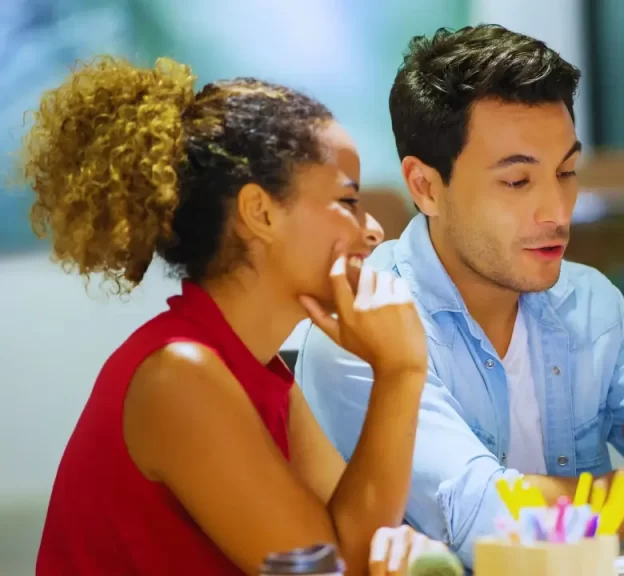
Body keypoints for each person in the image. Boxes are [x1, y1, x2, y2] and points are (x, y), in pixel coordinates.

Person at [297, 24, 624, 567]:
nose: (556, 210)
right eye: (517, 182)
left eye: (567, 171)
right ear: (425, 186)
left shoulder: (592, 304)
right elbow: (494, 527)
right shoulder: (366, 323)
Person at [24, 56, 443, 576]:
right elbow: (343, 568)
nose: (374, 230)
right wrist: (400, 373)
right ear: (260, 213)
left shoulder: (263, 373)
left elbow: (370, 543)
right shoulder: (180, 375)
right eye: (348, 200)